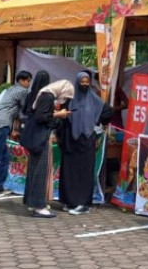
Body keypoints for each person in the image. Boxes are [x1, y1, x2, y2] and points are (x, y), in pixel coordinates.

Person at [57, 70, 114, 215]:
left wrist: (96, 122)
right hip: (70, 141)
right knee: (69, 171)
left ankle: (83, 203)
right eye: (82, 82)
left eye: (87, 82)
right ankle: (69, 201)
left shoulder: (94, 99)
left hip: (87, 142)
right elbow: (60, 119)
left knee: (84, 173)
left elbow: (108, 111)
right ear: (76, 83)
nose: (84, 85)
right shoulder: (69, 99)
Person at [23, 79, 74, 218]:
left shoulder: (45, 94)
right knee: (40, 171)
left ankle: (33, 203)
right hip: (40, 138)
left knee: (36, 170)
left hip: (36, 137)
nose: (65, 98)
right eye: (67, 94)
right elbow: (40, 117)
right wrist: (58, 114)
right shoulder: (48, 96)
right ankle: (39, 207)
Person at [0, 71, 32, 197]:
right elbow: (25, 109)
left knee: (5, 158)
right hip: (3, 124)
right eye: (28, 81)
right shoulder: (22, 91)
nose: (29, 83)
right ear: (21, 80)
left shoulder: (10, 89)